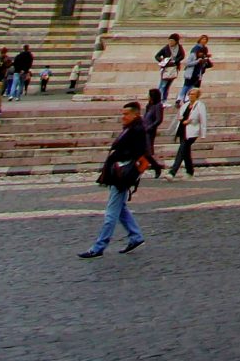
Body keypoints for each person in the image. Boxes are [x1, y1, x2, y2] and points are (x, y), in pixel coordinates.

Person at [79, 100, 149, 256]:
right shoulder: (131, 128)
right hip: (118, 174)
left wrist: (116, 155)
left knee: (111, 213)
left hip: (122, 175)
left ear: (136, 114)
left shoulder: (137, 130)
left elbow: (138, 152)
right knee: (121, 208)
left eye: (126, 114)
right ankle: (135, 236)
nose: (123, 117)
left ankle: (99, 247)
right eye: (122, 114)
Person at [140, 88, 167, 177]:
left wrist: (149, 127)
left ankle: (156, 167)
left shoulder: (158, 106)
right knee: (141, 151)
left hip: (149, 132)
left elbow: (159, 119)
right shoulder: (149, 105)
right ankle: (140, 168)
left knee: (147, 152)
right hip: (143, 130)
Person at [156, 34, 185, 100]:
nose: (170, 42)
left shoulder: (179, 47)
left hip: (174, 69)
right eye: (170, 41)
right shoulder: (166, 48)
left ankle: (164, 100)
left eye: (172, 41)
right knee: (162, 85)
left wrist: (175, 61)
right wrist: (163, 60)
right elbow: (157, 56)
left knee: (167, 86)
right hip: (166, 69)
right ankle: (158, 100)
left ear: (176, 41)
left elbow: (182, 56)